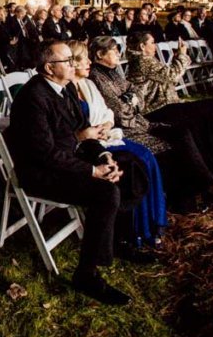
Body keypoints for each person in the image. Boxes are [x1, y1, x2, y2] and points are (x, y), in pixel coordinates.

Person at [6, 40, 148, 306]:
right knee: (105, 193)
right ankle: (87, 274)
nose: (73, 65)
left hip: (68, 160)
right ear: (49, 67)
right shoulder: (33, 98)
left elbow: (84, 129)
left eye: (73, 60)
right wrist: (93, 171)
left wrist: (103, 156)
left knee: (130, 167)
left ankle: (114, 239)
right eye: (68, 61)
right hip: (40, 173)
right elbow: (45, 154)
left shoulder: (65, 88)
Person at [90, 36, 213, 211]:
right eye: (114, 50)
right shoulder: (97, 77)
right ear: (99, 54)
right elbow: (120, 112)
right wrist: (132, 100)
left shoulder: (114, 72)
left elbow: (136, 97)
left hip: (140, 121)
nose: (119, 54)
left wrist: (131, 100)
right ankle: (199, 191)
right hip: (128, 128)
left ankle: (208, 183)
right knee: (172, 142)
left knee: (185, 131)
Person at [125, 31, 213, 181]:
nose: (155, 46)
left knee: (212, 115)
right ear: (142, 46)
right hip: (157, 109)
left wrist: (177, 59)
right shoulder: (142, 61)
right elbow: (172, 76)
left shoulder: (144, 60)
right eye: (152, 43)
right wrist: (182, 55)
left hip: (165, 106)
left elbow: (165, 77)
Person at [68, 40, 165, 248]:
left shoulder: (87, 84)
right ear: (72, 63)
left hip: (104, 135)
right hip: (87, 147)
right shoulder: (66, 91)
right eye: (84, 58)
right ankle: (133, 232)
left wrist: (106, 123)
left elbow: (107, 111)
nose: (89, 62)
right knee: (134, 162)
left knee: (146, 154)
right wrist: (90, 133)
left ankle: (152, 222)